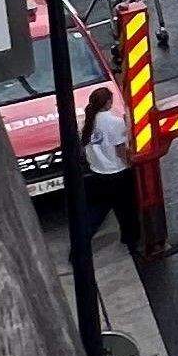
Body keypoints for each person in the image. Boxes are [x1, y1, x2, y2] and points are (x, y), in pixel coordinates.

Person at [73, 85, 140, 255]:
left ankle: (78, 249)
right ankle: (132, 243)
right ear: (107, 102)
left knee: (95, 215)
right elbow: (119, 150)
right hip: (117, 175)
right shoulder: (114, 122)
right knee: (126, 211)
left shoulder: (87, 122)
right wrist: (131, 163)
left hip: (97, 174)